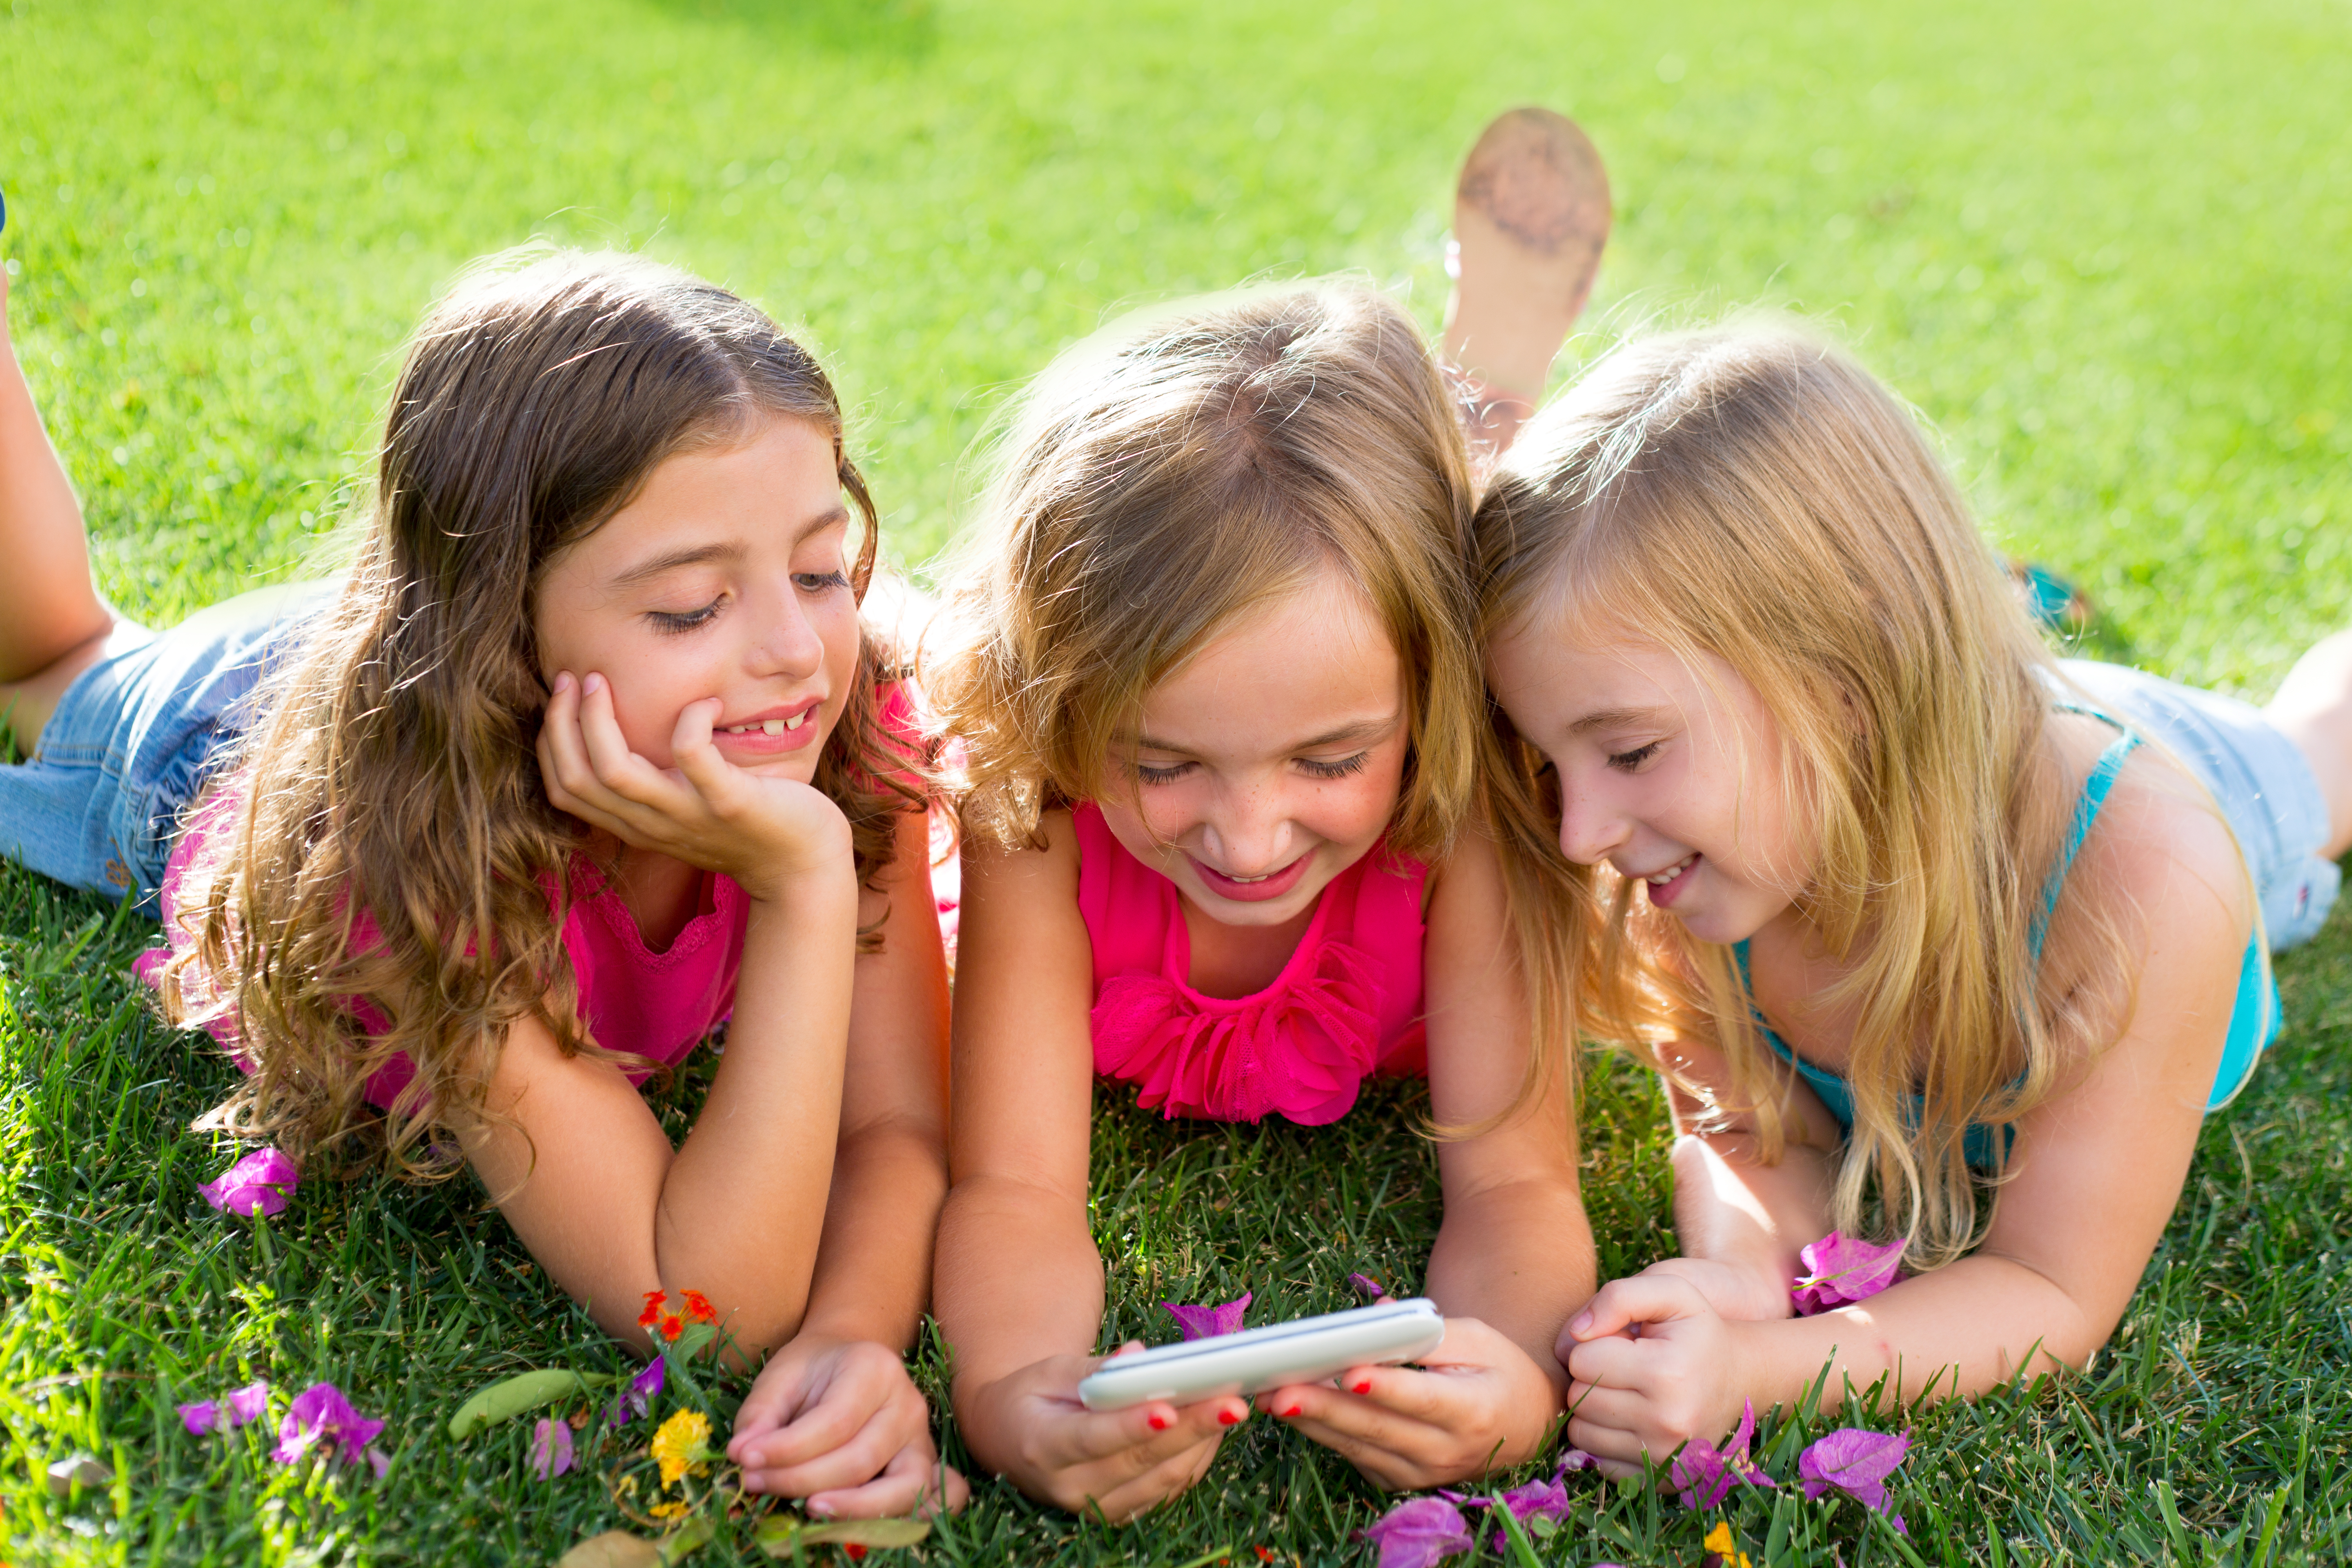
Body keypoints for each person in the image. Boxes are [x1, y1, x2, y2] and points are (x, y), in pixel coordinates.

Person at [0, 242, 962, 1517]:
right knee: (51, 646)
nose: (796, 653)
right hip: (200, 740)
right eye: (690, 608)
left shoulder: (845, 728)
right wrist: (803, 889)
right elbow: (705, 1307)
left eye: (820, 570)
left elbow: (897, 1127)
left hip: (411, 646)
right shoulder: (411, 862)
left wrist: (853, 1329)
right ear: (504, 637)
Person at [1473, 322, 2350, 1472]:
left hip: (2174, 777)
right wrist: (1744, 1273)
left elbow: (2050, 1291)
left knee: (2319, 758)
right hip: (1947, 730)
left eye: (1629, 751)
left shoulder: (2153, 873)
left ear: (1843, 684)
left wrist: (1758, 1371)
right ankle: (1996, 608)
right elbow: (1753, 1129)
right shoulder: (1697, 869)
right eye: (1551, 762)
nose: (1582, 832)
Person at [920, 164, 1616, 1512]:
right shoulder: (1038, 813)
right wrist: (1017, 1399)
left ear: (1428, 704)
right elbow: (1012, 1186)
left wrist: (1523, 1381)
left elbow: (1518, 1181)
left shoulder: (1467, 808)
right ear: (1072, 709)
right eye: (1165, 762)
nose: (1249, 839)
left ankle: (1490, 400)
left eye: (1332, 758)